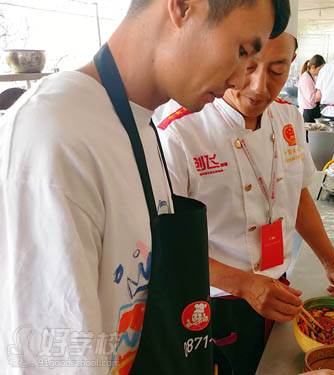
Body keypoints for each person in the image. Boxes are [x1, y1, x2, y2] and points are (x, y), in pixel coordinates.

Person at [0, 0, 291, 373]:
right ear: (185, 6)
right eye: (240, 51)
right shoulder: (53, 135)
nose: (239, 78)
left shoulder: (140, 124)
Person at [157, 29, 334, 375]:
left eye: (277, 71)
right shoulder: (179, 131)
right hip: (213, 300)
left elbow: (298, 195)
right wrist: (243, 283)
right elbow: (163, 246)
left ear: (293, 65)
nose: (259, 87)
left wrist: (332, 264)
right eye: (247, 68)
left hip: (276, 287)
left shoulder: (289, 117)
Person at [298, 54, 325, 123]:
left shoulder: (312, 77)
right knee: (307, 133)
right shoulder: (306, 78)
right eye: (320, 69)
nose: (321, 72)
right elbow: (311, 99)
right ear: (313, 67)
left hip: (312, 111)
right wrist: (320, 91)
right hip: (308, 113)